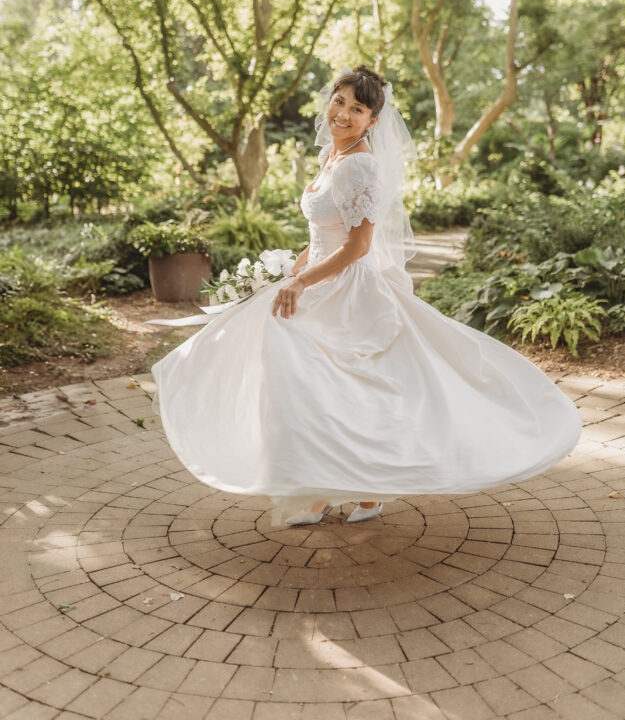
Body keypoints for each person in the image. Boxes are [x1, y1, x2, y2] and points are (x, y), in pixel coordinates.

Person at [151, 65, 581, 527]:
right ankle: (331, 490)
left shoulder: (359, 164)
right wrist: (284, 271)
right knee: (316, 388)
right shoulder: (332, 157)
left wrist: (302, 281)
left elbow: (358, 246)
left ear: (373, 121)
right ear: (329, 101)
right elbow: (325, 233)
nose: (344, 114)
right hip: (318, 276)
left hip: (346, 289)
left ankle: (358, 490)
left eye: (358, 109)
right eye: (340, 102)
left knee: (334, 385)